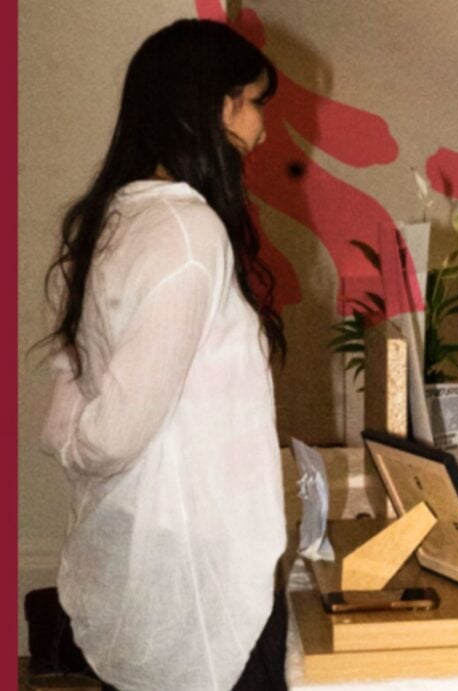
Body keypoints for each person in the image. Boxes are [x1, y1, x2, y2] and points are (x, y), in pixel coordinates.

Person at [37, 19, 288, 690]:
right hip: (199, 572)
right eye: (255, 102)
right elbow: (113, 430)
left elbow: (73, 379)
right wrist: (77, 441)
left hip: (151, 549)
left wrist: (68, 438)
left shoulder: (114, 218)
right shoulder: (186, 230)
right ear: (215, 105)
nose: (262, 129)